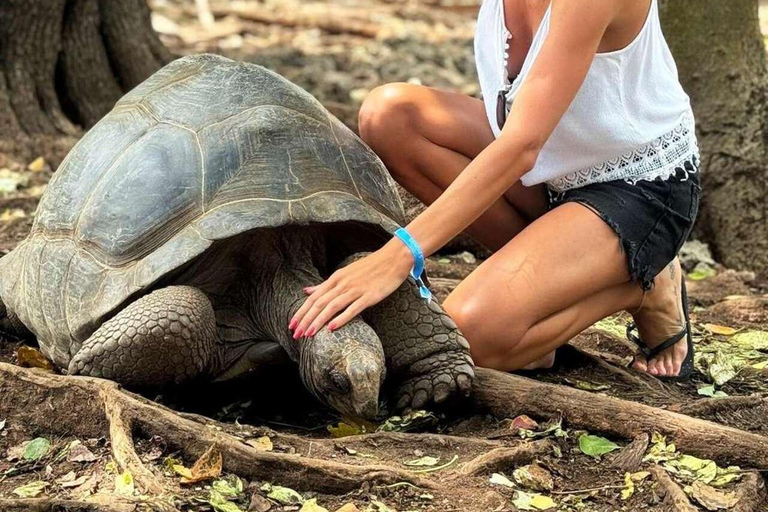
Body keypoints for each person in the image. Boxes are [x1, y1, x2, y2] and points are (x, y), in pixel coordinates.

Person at [289, 0, 700, 380]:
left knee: (470, 335)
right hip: (551, 171)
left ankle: (644, 281)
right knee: (390, 116)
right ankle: (532, 307)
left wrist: (398, 256)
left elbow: (521, 146)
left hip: (637, 190)